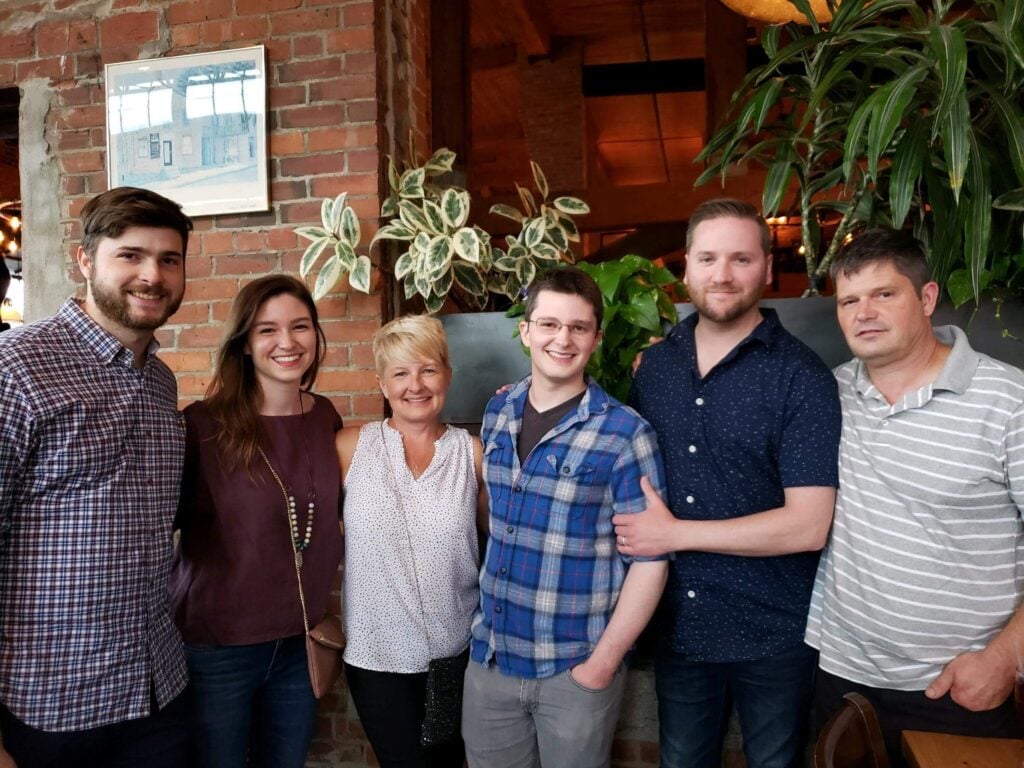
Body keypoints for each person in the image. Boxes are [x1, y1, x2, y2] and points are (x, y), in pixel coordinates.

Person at [619, 198, 841, 768]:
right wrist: (523, 402)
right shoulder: (657, 367)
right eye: (708, 258)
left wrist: (676, 534)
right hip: (679, 631)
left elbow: (808, 525)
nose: (722, 275)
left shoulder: (802, 377)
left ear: (768, 268)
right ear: (685, 269)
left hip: (775, 634)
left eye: (741, 259)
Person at [806, 229, 1024, 759]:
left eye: (884, 294)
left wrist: (1002, 659)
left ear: (926, 299)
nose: (864, 313)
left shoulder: (1008, 401)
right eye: (849, 301)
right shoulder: (827, 394)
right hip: (841, 677)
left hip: (960, 688)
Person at [0, 187, 193, 767]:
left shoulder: (162, 384)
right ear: (86, 261)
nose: (151, 276)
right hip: (47, 706)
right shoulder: (17, 368)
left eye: (169, 259)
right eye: (130, 255)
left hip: (157, 689)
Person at [462, 266, 669, 768]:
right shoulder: (499, 411)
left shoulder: (625, 434)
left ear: (596, 338)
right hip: (491, 661)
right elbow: (498, 517)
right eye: (549, 324)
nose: (563, 338)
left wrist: (600, 665)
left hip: (573, 670)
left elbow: (652, 557)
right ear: (526, 330)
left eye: (578, 327)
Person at [170, 275, 343, 768]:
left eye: (300, 326)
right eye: (267, 330)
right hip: (217, 648)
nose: (287, 342)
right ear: (244, 343)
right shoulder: (203, 425)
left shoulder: (324, 416)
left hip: (299, 644)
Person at [337, 314, 486, 768]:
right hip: (374, 656)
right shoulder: (348, 447)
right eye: (400, 372)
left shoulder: (473, 453)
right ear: (382, 384)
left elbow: (498, 543)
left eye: (427, 369)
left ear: (447, 375)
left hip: (453, 655)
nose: (415, 384)